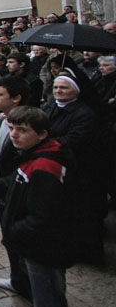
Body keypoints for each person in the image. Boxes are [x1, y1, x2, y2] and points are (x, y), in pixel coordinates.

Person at [0, 106, 77, 307]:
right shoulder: (33, 154)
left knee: (49, 296)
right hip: (34, 242)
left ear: (42, 134)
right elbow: (18, 181)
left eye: (22, 130)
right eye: (12, 129)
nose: (14, 135)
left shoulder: (46, 166)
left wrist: (15, 231)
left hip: (43, 246)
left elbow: (43, 216)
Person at [41, 72, 103, 264]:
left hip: (77, 167)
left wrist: (42, 143)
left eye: (63, 88)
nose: (58, 91)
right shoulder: (49, 106)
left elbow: (72, 141)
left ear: (75, 91)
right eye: (56, 87)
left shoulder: (84, 114)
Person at [0, 76, 32, 298]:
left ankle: (35, 297)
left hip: (20, 195)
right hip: (1, 195)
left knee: (26, 247)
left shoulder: (29, 127)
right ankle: (17, 279)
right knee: (9, 239)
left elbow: (26, 166)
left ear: (16, 98)